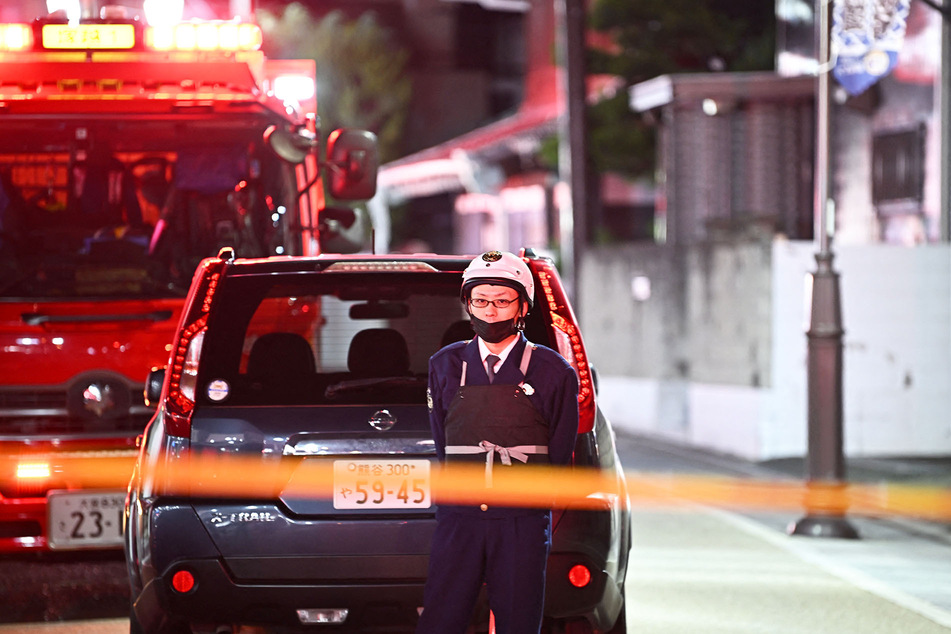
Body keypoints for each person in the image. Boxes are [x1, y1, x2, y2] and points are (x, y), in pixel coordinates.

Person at [416, 250, 580, 634]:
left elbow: (561, 453)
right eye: (480, 300)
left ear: (523, 306)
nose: (490, 311)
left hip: (521, 518)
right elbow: (444, 442)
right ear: (467, 304)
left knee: (519, 620)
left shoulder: (554, 371)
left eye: (503, 300)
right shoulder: (443, 365)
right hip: (459, 518)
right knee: (442, 619)